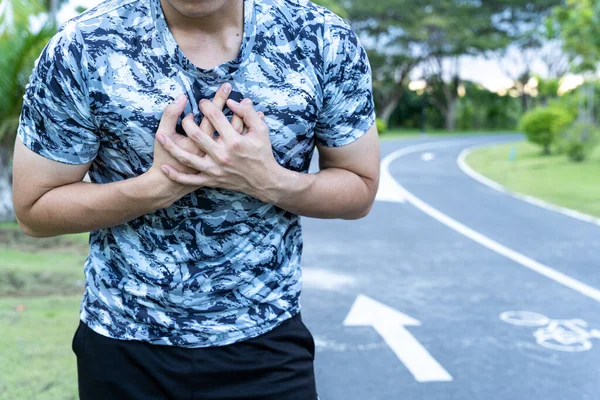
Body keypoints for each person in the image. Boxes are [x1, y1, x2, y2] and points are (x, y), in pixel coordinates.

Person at [12, 0, 380, 398]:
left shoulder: (321, 38)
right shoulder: (83, 45)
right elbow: (34, 210)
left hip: (266, 342)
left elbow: (358, 189)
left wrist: (267, 180)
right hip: (123, 342)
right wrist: (155, 187)